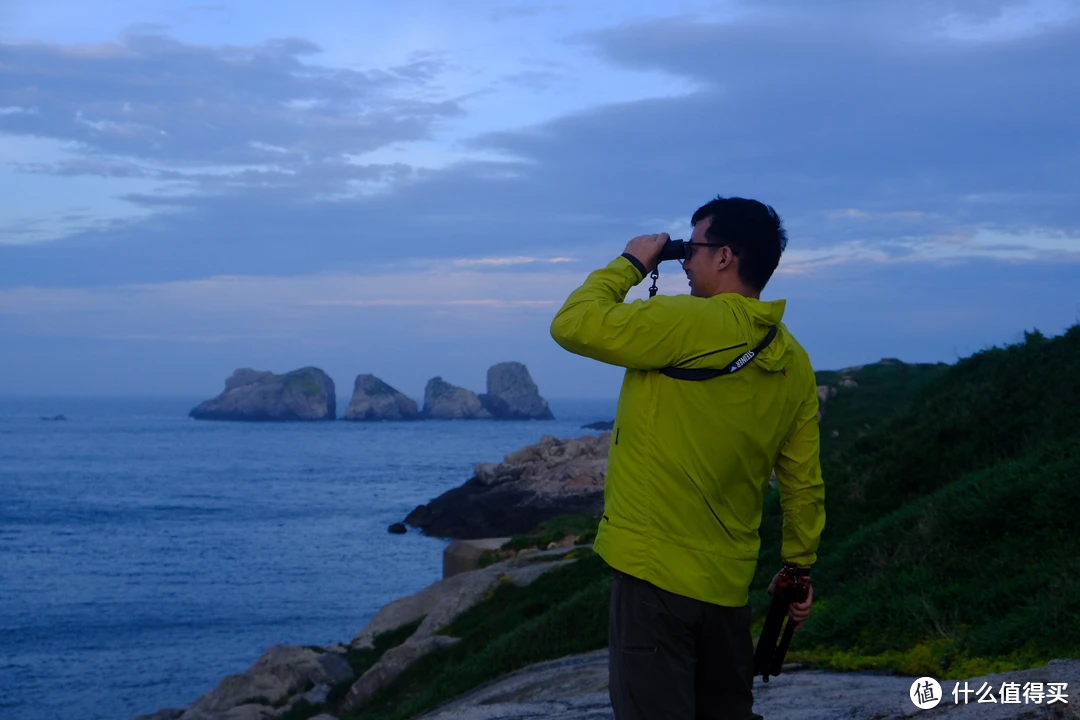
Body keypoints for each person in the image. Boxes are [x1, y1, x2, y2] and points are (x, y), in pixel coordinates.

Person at [549, 196, 826, 720]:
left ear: (724, 256)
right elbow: (802, 482)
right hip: (727, 590)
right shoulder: (793, 360)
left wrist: (631, 263)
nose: (684, 260)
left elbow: (572, 323)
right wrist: (799, 566)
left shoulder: (683, 322)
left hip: (653, 579)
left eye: (692, 248)